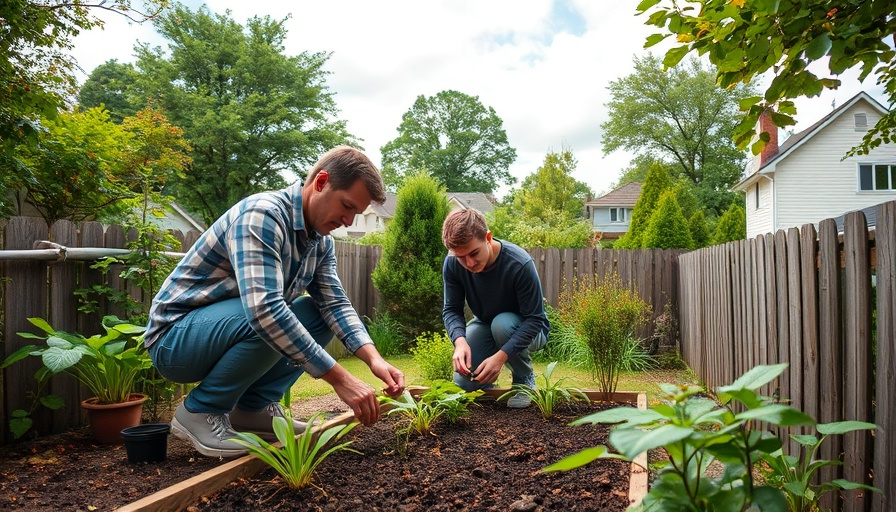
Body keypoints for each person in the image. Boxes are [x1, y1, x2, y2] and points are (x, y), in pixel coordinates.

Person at [144, 146, 405, 458]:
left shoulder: (320, 242)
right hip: (176, 340)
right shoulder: (263, 216)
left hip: (228, 328)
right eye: (346, 206)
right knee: (271, 316)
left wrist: (374, 359)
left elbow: (334, 304)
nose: (348, 221)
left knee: (316, 314)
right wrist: (342, 379)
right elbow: (265, 310)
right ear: (321, 182)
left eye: (355, 214)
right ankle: (199, 411)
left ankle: (252, 410)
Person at [441, 209, 549, 408]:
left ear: (488, 238)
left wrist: (500, 358)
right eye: (461, 257)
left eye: (474, 253)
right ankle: (489, 382)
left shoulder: (519, 263)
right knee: (465, 384)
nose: (469, 263)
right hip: (485, 323)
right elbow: (451, 309)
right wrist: (459, 341)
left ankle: (524, 381)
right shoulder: (452, 264)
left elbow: (535, 319)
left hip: (530, 329)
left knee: (502, 324)